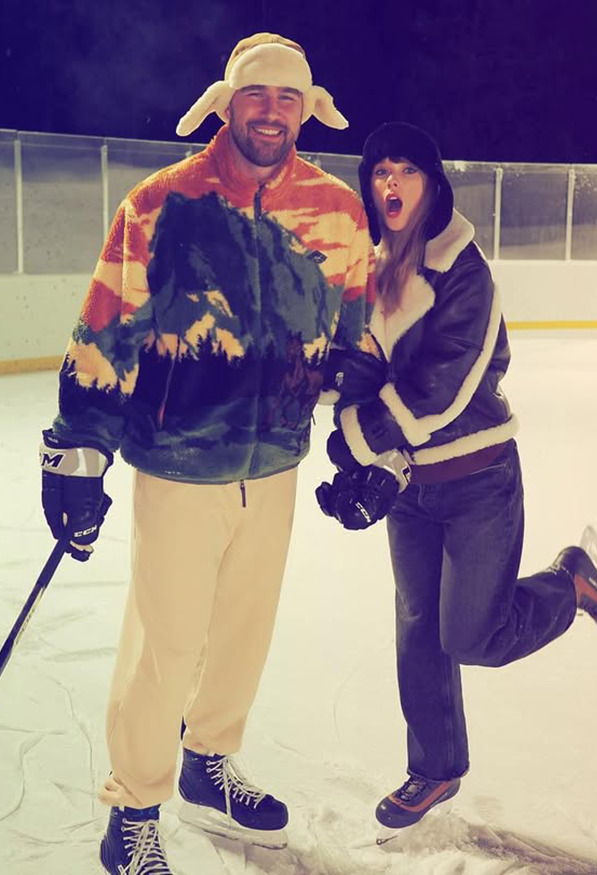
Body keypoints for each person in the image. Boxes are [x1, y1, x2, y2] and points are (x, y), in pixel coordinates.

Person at [38, 33, 377, 874]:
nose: (270, 111)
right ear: (227, 104)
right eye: (255, 95)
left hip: (276, 463)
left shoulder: (336, 208)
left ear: (306, 108)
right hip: (180, 461)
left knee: (241, 633)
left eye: (287, 98)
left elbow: (355, 332)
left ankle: (207, 761)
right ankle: (135, 803)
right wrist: (79, 450)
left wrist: (366, 423)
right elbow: (106, 327)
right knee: (167, 643)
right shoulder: (162, 201)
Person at [317, 121, 597, 838]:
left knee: (473, 635)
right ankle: (435, 765)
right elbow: (365, 363)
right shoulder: (376, 264)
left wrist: (361, 437)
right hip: (411, 485)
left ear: (433, 182)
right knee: (419, 628)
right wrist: (352, 427)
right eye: (381, 172)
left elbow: (443, 388)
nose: (390, 184)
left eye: (406, 171)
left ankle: (570, 582)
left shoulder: (465, 271)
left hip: (479, 478)